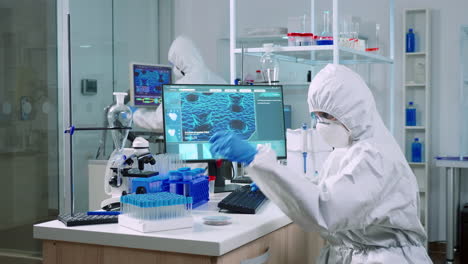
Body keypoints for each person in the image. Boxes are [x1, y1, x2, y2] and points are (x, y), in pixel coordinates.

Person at [209, 64, 432, 263]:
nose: (320, 124)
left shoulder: (373, 157)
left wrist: (259, 162)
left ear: (354, 111)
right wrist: (273, 185)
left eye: (326, 115)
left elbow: (324, 208)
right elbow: (323, 187)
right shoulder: (349, 148)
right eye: (316, 116)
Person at [133, 35, 227, 132]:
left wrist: (136, 114)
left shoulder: (180, 86)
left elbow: (161, 121)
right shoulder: (221, 81)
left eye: (173, 64)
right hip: (218, 142)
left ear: (179, 61)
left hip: (188, 141)